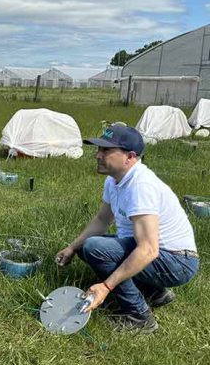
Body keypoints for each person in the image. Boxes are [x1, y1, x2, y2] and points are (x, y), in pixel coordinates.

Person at [55, 125, 198, 333]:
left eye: (106, 151)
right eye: (98, 150)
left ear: (130, 157)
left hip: (178, 261)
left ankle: (139, 316)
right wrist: (72, 248)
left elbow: (149, 249)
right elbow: (102, 220)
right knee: (88, 247)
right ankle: (155, 293)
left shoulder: (141, 186)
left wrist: (105, 287)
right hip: (161, 254)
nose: (98, 156)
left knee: (96, 248)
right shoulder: (114, 181)